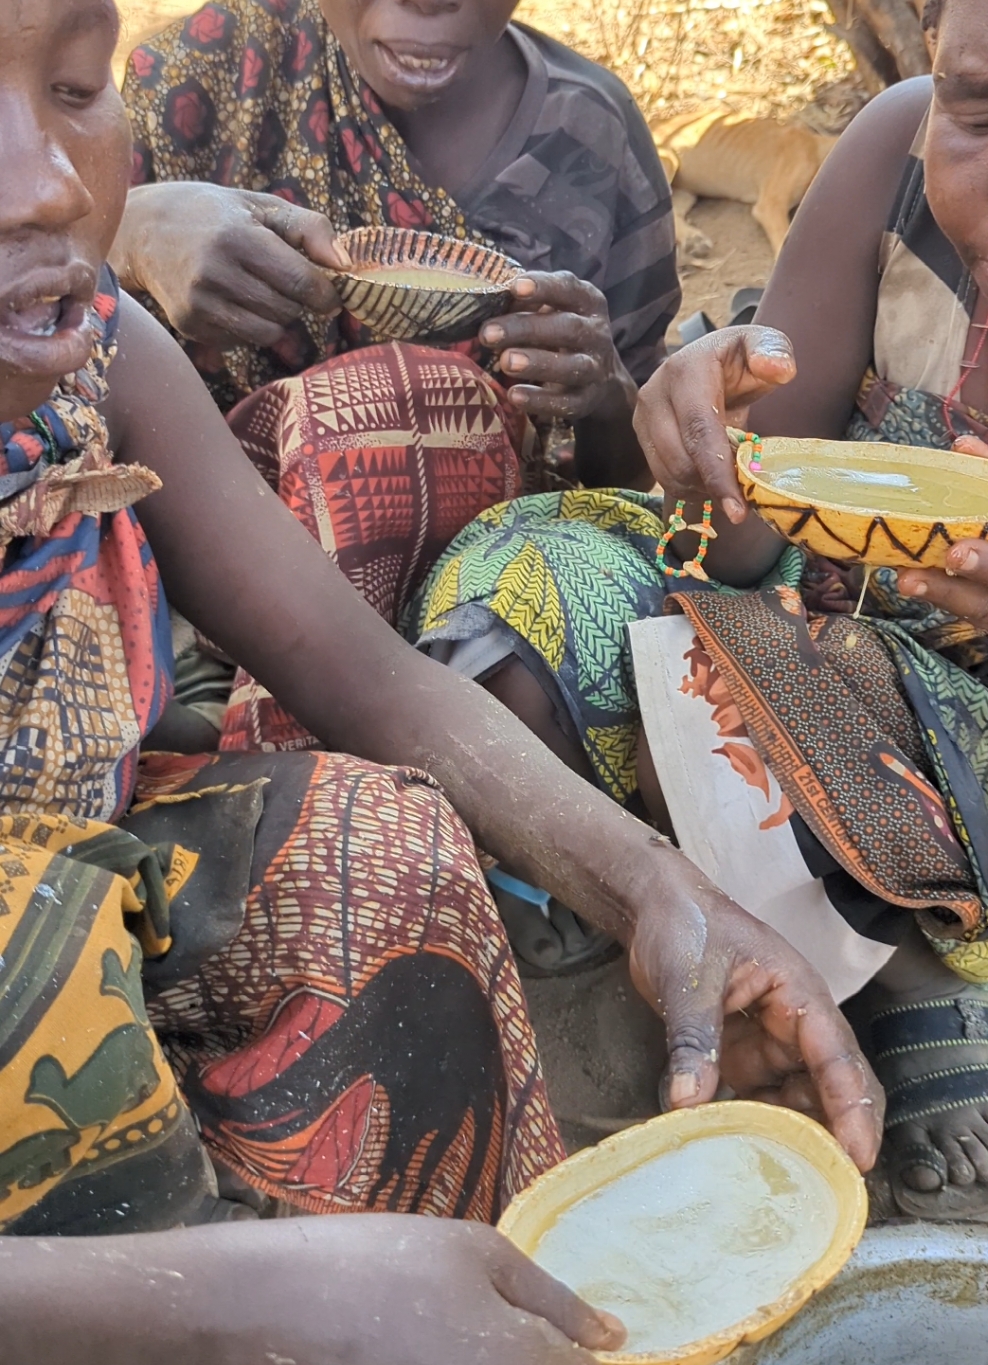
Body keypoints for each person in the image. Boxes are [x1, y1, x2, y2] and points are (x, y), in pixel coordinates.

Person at [0, 1, 881, 1358]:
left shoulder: (96, 353)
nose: (53, 184)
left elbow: (372, 677)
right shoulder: (208, 101)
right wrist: (230, 1305)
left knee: (382, 848)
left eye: (73, 88)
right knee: (39, 950)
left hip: (91, 812)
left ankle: (489, 1299)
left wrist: (660, 887)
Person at [116, 0, 682, 970]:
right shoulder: (193, 81)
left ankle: (369, 832)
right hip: (212, 585)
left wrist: (603, 396)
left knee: (414, 413)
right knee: (375, 404)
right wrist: (128, 238)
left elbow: (635, 486)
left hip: (488, 613)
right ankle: (298, 804)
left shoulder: (593, 140)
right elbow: (60, 366)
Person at [630, 0, 988, 1220]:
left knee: (833, 667)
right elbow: (750, 527)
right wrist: (710, 437)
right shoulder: (890, 157)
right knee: (553, 567)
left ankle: (922, 972)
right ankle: (864, 965)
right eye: (980, 111)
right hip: (828, 672)